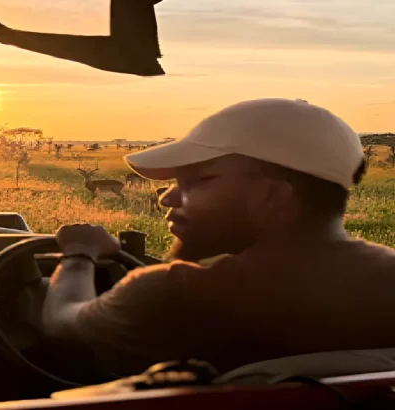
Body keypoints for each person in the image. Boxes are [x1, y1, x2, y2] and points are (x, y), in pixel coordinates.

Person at [41, 98, 395, 376]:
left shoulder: (173, 295)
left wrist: (79, 254)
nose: (167, 197)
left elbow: (61, 324)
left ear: (274, 197)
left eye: (201, 181)